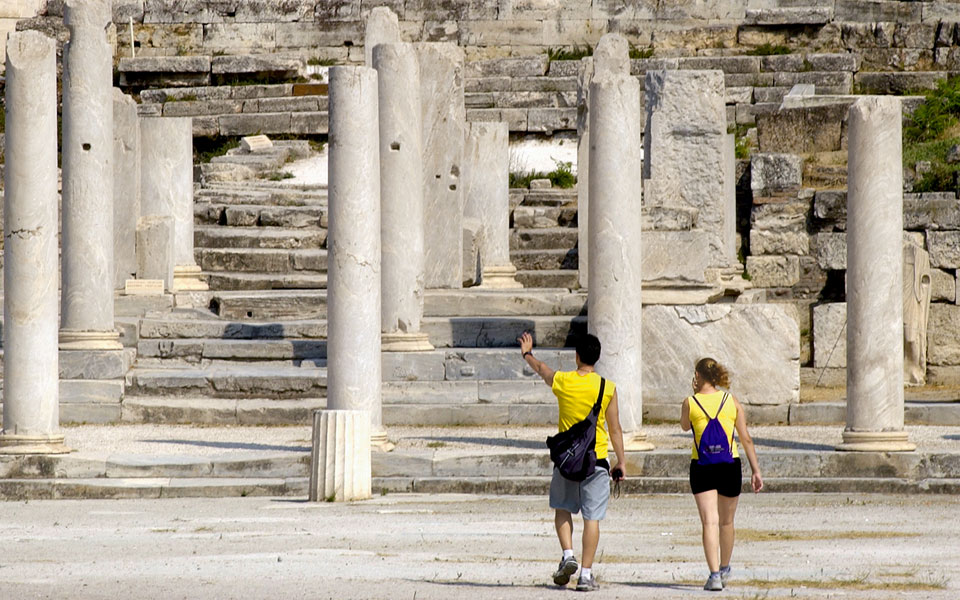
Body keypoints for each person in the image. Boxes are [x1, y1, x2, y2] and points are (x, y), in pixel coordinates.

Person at [518, 331, 626, 592]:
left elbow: (542, 370)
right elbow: (615, 429)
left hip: (567, 460)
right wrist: (621, 461)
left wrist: (527, 354)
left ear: (576, 356)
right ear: (597, 358)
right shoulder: (606, 388)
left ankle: (568, 555)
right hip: (596, 459)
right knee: (592, 517)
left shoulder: (564, 381)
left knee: (562, 508)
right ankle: (586, 575)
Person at [680, 358, 763, 592]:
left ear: (697, 376)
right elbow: (745, 437)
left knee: (709, 521)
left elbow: (685, 426)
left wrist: (694, 395)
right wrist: (756, 470)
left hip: (702, 464)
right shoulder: (731, 400)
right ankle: (725, 567)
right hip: (729, 464)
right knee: (727, 522)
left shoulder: (690, 402)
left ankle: (714, 574)